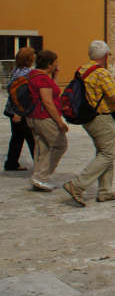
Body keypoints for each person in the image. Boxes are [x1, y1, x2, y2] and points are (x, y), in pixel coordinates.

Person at [63, 41, 115, 207]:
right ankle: (78, 185)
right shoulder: (102, 73)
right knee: (108, 154)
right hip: (101, 117)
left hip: (87, 117)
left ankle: (105, 191)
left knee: (104, 152)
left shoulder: (82, 70)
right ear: (105, 56)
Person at [26, 50, 69, 191]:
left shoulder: (35, 75)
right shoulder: (42, 79)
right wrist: (59, 122)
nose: (57, 64)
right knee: (59, 144)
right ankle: (41, 177)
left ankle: (39, 178)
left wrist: (55, 75)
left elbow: (53, 89)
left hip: (33, 117)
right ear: (49, 63)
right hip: (44, 117)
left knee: (42, 148)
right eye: (55, 61)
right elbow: (47, 101)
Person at [4, 47, 36, 171]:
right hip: (22, 112)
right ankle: (40, 165)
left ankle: (11, 163)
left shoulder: (16, 71)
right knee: (32, 139)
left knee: (17, 138)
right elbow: (23, 95)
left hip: (12, 110)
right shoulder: (28, 74)